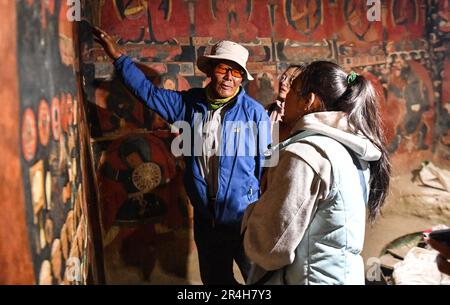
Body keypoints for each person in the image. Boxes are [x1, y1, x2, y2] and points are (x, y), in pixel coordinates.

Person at [93, 27, 271, 285]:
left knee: (260, 280)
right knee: (215, 281)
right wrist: (118, 58)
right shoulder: (189, 104)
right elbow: (149, 93)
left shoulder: (255, 114)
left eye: (236, 72)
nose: (229, 78)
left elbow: (265, 168)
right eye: (223, 69)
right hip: (206, 218)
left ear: (242, 77)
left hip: (244, 218)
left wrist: (252, 203)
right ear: (210, 71)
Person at [242, 61, 391, 284]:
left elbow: (268, 247)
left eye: (292, 89)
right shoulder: (351, 149)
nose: (285, 96)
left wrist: (251, 216)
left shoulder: (305, 155)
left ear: (307, 101)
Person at [266, 65, 305, 144]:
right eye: (283, 77)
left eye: (291, 80)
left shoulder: (302, 116)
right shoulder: (268, 110)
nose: (284, 82)